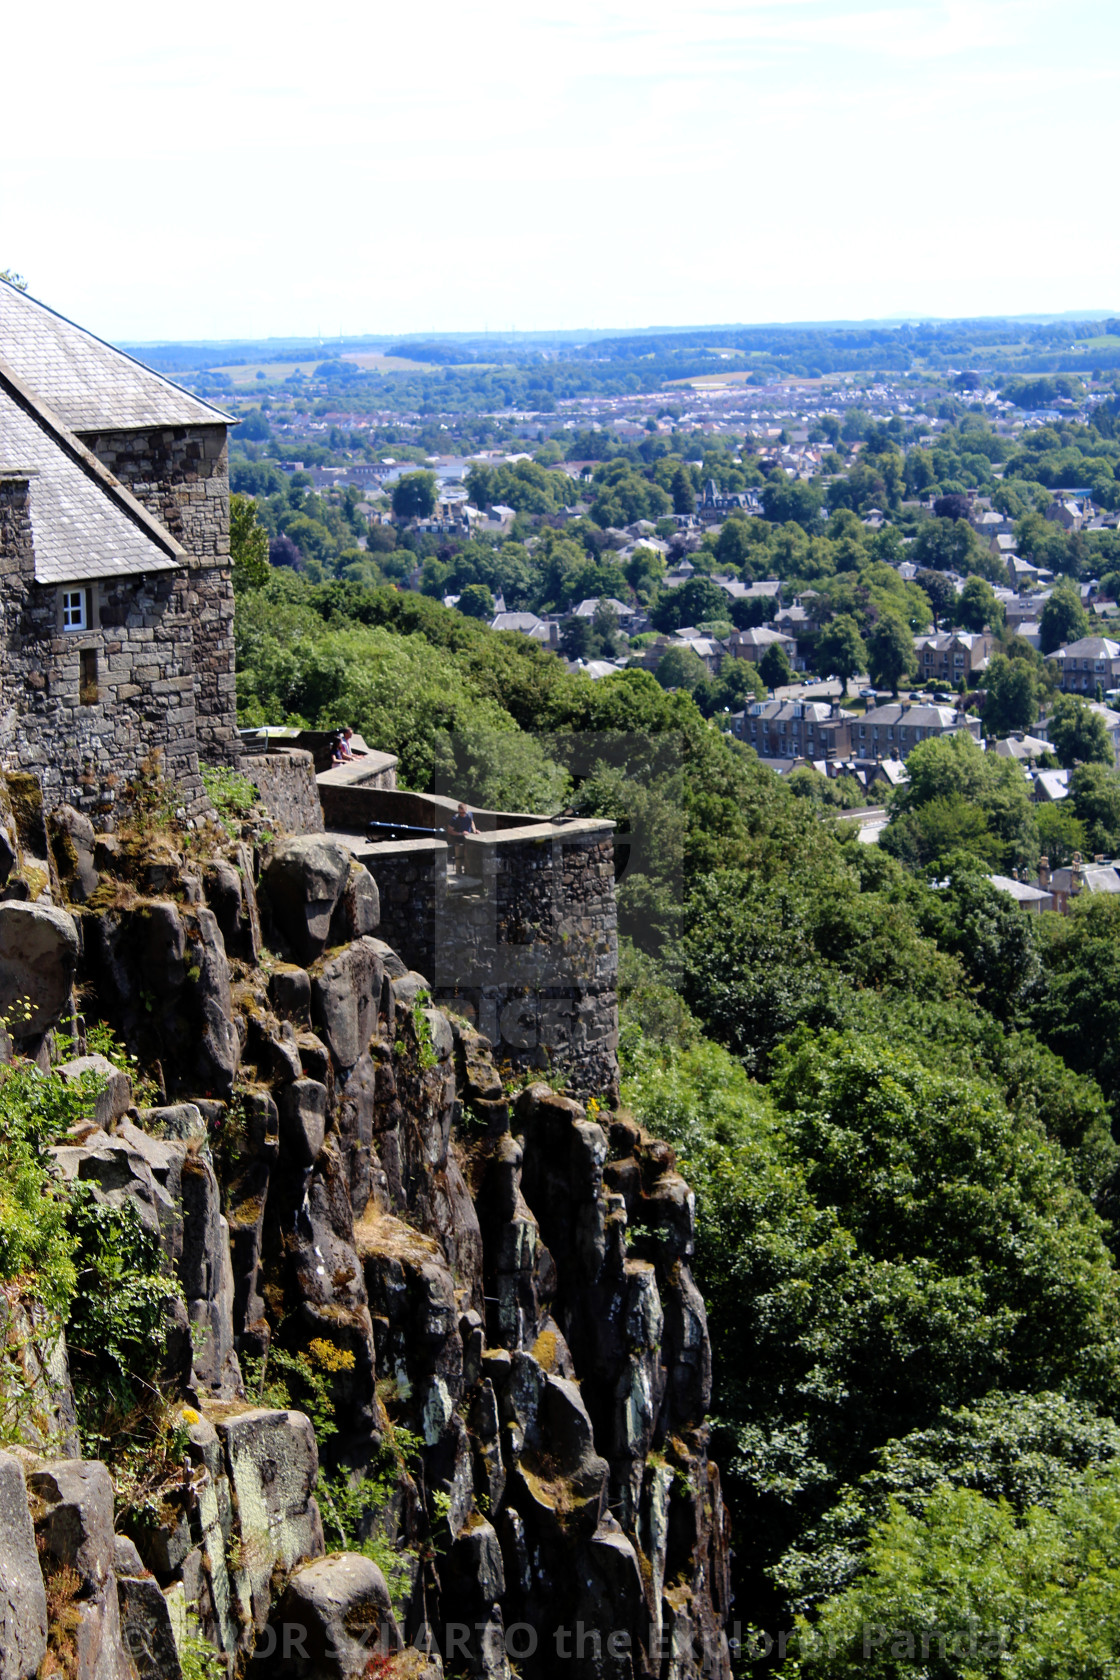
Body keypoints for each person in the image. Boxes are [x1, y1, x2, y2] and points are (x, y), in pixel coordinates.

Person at [446, 802, 477, 875]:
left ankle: (467, 873)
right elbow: (449, 831)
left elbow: (472, 822)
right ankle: (459, 874)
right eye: (460, 813)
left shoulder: (469, 815)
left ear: (466, 810)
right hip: (458, 841)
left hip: (468, 840)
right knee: (459, 859)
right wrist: (461, 833)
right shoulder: (455, 819)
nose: (462, 814)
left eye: (463, 812)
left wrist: (474, 830)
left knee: (468, 858)